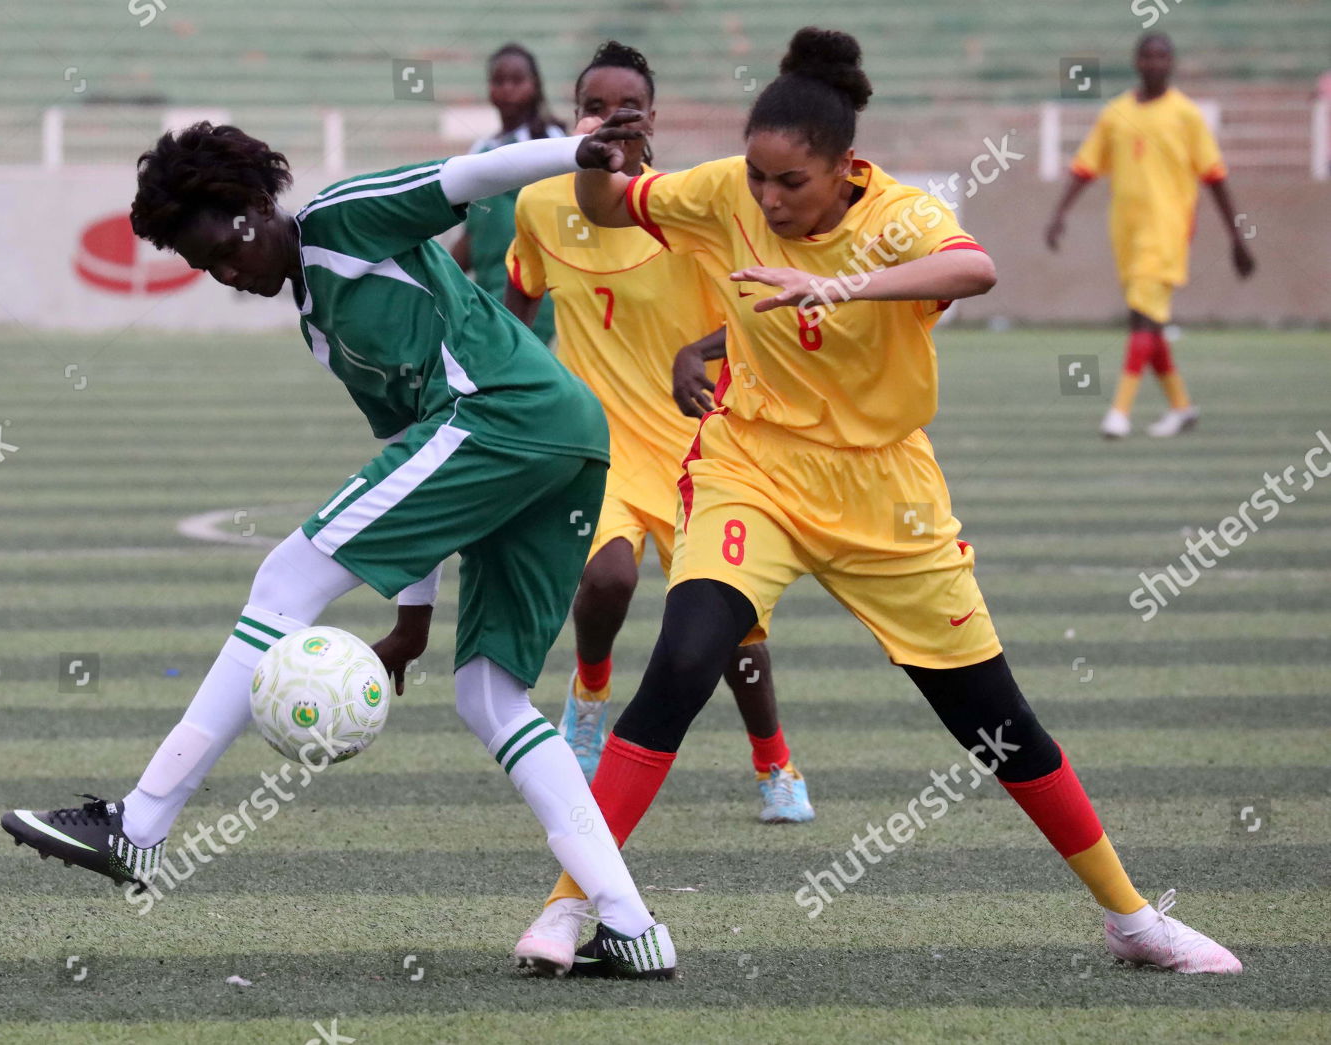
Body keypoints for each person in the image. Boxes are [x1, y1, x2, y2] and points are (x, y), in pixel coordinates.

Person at [518, 27, 1243, 978]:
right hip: (754, 469)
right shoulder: (726, 188)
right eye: (761, 179)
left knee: (994, 716)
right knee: (683, 663)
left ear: (846, 168)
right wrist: (596, 154)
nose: (768, 199)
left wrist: (839, 283)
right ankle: (571, 906)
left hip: (884, 494)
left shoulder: (900, 216)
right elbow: (614, 203)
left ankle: (1133, 919)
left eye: (793, 184)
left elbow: (975, 268)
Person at [0, 118, 678, 979]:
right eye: (205, 268)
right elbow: (407, 451)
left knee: (285, 575)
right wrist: (414, 616)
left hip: (509, 416)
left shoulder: (343, 221)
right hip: (555, 439)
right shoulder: (319, 325)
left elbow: (465, 177)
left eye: (224, 248)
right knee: (490, 695)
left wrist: (573, 152)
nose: (227, 273)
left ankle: (141, 823)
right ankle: (631, 925)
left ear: (252, 207)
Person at [503, 41, 813, 829]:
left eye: (626, 108)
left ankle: (774, 759)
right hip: (597, 445)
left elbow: (752, 316)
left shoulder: (688, 211)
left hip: (697, 446)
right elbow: (516, 305)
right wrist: (496, 390)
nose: (611, 119)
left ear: (652, 121)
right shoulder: (541, 205)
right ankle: (590, 695)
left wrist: (698, 352)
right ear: (575, 116)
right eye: (596, 106)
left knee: (733, 630)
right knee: (607, 578)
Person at [1046, 32, 1255, 439]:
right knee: (1150, 321)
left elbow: (1215, 178)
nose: (1155, 63)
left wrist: (1236, 238)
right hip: (1125, 233)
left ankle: (1118, 413)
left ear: (1171, 64)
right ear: (1137, 62)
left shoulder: (1187, 115)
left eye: (1163, 57)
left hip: (1168, 233)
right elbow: (1086, 166)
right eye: (1148, 56)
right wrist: (1059, 214)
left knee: (1142, 318)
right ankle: (1181, 408)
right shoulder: (1116, 113)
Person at [449, 42, 567, 345]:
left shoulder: (550, 142)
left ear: (535, 85)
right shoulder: (481, 150)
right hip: (487, 295)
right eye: (498, 81)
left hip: (534, 297)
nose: (507, 90)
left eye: (517, 81)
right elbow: (473, 231)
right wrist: (442, 271)